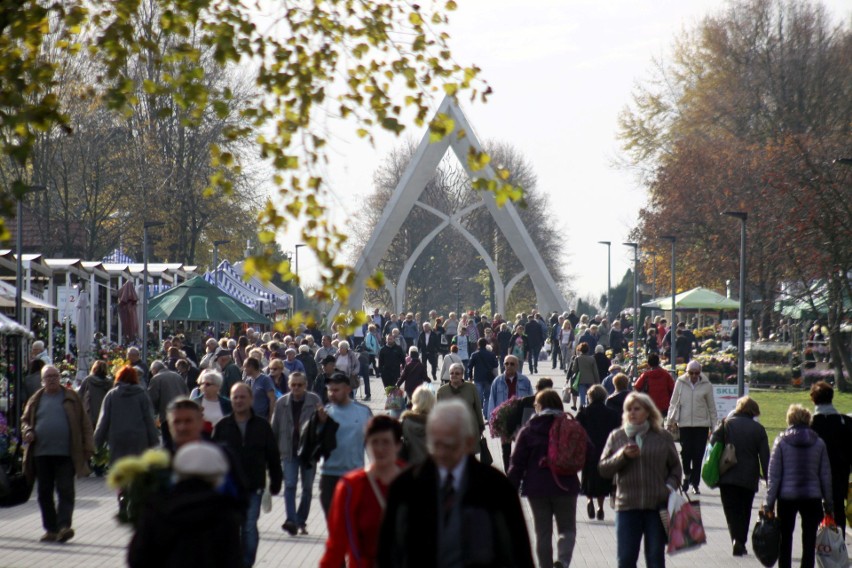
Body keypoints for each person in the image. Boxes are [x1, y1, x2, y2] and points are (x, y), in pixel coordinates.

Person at [378, 399, 534, 568]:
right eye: (436, 444)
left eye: (450, 445)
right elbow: (388, 551)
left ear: (469, 442)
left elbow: (518, 552)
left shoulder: (496, 487)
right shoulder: (406, 487)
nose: (442, 453)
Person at [598, 392, 682, 568]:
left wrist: (669, 487)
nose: (632, 413)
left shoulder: (662, 436)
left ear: (648, 412)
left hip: (656, 506)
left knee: (655, 558)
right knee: (626, 558)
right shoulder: (618, 436)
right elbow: (604, 468)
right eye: (628, 409)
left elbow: (676, 468)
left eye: (637, 409)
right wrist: (622, 456)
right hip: (627, 506)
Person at [128, 441, 242, 568]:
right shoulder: (224, 513)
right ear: (217, 477)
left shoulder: (158, 507)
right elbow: (233, 560)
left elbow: (137, 557)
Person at [508, 389, 588, 568]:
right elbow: (588, 450)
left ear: (539, 406)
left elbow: (517, 463)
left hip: (537, 488)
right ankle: (563, 560)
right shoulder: (571, 426)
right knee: (567, 529)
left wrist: (510, 489)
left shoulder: (529, 430)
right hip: (566, 485)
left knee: (542, 533)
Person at [212, 383, 283, 568]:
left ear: (251, 399)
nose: (239, 401)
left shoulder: (262, 426)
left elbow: (273, 455)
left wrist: (276, 481)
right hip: (229, 488)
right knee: (231, 527)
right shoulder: (222, 426)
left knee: (249, 526)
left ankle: (246, 562)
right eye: (235, 397)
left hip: (253, 485)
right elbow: (213, 458)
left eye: (243, 397)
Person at [21, 365, 94, 543]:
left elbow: (85, 424)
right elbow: (24, 420)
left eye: (55, 376)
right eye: (49, 377)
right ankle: (51, 529)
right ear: (42, 380)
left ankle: (64, 527)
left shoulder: (71, 397)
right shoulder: (36, 399)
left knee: (65, 490)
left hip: (66, 453)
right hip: (41, 453)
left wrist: (88, 448)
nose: (52, 379)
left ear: (60, 377)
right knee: (44, 492)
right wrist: (28, 430)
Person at [321, 416, 404, 568]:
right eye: (374, 442)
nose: (379, 449)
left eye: (386, 442)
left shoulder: (415, 482)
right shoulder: (351, 487)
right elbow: (336, 543)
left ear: (398, 445)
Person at [764, 404, 833, 568]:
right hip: (812, 496)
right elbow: (825, 475)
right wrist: (829, 503)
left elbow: (774, 476)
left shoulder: (781, 441)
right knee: (809, 539)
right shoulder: (819, 443)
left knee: (785, 537)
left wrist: (769, 503)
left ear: (790, 419)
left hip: (787, 497)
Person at [710, 396, 770, 556]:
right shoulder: (758, 429)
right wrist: (768, 478)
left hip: (727, 475)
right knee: (745, 510)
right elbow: (765, 456)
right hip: (748, 477)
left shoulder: (726, 424)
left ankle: (735, 539)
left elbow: (712, 444)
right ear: (753, 411)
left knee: (731, 510)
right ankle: (741, 541)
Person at [316, 372, 374, 519]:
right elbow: (314, 444)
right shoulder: (325, 413)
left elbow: (372, 443)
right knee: (333, 522)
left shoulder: (363, 412)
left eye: (336, 390)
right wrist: (320, 425)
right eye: (329, 390)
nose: (332, 394)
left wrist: (375, 470)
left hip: (354, 474)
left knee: (352, 520)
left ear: (348, 389)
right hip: (329, 474)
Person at [272, 371, 320, 536]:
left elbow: (322, 427)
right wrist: (272, 453)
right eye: (293, 385)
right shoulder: (281, 403)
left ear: (305, 385)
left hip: (308, 452)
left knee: (307, 488)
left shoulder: (314, 401)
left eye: (299, 385)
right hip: (288, 450)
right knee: (290, 485)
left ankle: (301, 520)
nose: (296, 388)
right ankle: (291, 520)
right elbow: (275, 428)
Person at [667, 360, 717, 494]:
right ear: (687, 372)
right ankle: (687, 474)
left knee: (698, 454)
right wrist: (669, 421)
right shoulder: (680, 383)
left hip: (701, 424)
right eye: (691, 373)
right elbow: (673, 403)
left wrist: (714, 427)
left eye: (696, 373)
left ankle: (695, 483)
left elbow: (711, 407)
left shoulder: (706, 385)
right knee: (686, 452)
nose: (694, 376)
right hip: (685, 424)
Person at [809, 381, 852, 536]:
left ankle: (818, 541)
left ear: (813, 399)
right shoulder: (845, 422)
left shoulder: (810, 424)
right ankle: (838, 541)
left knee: (814, 510)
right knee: (838, 508)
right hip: (839, 474)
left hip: (814, 475)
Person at [94, 366, 159, 464]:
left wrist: (96, 442)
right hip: (138, 438)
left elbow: (104, 420)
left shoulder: (112, 395)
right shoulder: (141, 394)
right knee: (138, 469)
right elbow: (148, 418)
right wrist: (154, 440)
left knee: (119, 469)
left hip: (117, 438)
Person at [577, 385, 621, 522]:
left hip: (588, 450)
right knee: (603, 479)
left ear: (589, 397)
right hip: (605, 449)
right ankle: (600, 507)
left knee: (588, 477)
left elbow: (576, 429)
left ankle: (590, 500)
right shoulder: (612, 413)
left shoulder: (584, 413)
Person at [487, 355, 533, 472]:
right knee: (505, 450)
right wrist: (492, 420)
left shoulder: (525, 381)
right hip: (504, 419)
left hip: (520, 419)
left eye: (512, 364)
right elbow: (492, 400)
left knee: (520, 449)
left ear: (517, 366)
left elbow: (531, 400)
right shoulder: (497, 381)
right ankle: (508, 473)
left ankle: (519, 473)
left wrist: (531, 420)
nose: (508, 366)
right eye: (506, 363)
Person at [437, 362, 485, 442]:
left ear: (462, 374)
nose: (454, 375)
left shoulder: (471, 388)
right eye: (451, 373)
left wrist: (481, 425)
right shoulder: (442, 391)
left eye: (457, 373)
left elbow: (477, 407)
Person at [148, 360, 190, 449]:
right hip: (182, 413)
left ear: (154, 370)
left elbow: (152, 398)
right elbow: (186, 392)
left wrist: (152, 413)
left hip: (167, 415)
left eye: (152, 371)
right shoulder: (177, 376)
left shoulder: (156, 379)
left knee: (168, 443)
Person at [400, 384, 435, 465]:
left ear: (414, 400)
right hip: (431, 468)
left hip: (410, 467)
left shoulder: (406, 422)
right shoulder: (437, 424)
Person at [190, 369, 232, 433]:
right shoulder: (195, 403)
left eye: (208, 384)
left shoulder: (227, 404)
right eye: (202, 384)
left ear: (217, 386)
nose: (204, 386)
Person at [468, 337, 499, 413]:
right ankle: (486, 413)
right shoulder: (491, 354)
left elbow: (470, 366)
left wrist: (470, 377)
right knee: (487, 397)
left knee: (478, 397)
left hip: (478, 377)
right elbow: (495, 364)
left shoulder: (474, 354)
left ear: (478, 344)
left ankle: (477, 414)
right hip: (488, 378)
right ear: (486, 344)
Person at [77, 360, 112, 427]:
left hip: (90, 416)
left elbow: (79, 396)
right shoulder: (109, 383)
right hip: (105, 416)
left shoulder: (88, 380)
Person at [567, 342, 600, 408]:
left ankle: (582, 409)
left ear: (580, 350)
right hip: (591, 380)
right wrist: (597, 381)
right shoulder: (592, 359)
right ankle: (589, 407)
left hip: (581, 380)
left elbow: (574, 370)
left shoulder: (578, 358)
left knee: (582, 396)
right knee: (590, 396)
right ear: (587, 350)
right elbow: (595, 371)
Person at [242, 357, 276, 421]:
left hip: (263, 419)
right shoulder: (247, 381)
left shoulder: (265, 379)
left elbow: (272, 399)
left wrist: (271, 418)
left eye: (245, 367)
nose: (244, 369)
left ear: (251, 367)